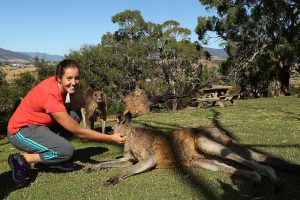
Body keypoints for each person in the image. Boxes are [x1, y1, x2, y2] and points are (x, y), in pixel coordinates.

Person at [7, 59, 125, 184]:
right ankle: (20, 158)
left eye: (77, 78)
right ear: (59, 77)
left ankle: (53, 159)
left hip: (40, 125)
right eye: (69, 78)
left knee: (74, 115)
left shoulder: (62, 87)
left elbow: (77, 106)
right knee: (66, 151)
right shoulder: (51, 96)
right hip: (20, 131)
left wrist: (73, 91)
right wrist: (111, 138)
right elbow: (79, 132)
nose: (74, 82)